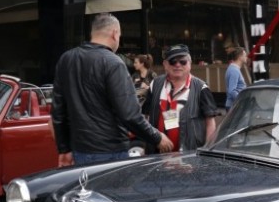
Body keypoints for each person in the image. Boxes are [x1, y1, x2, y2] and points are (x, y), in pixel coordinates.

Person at [51, 13, 173, 167]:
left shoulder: (66, 59)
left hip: (79, 150)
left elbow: (57, 112)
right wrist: (157, 137)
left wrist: (64, 149)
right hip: (110, 152)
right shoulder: (113, 63)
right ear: (115, 33)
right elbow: (129, 115)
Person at [144, 44, 218, 153]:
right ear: (165, 64)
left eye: (183, 61)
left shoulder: (201, 88)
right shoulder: (155, 84)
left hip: (189, 159)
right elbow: (146, 117)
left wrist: (206, 151)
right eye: (173, 61)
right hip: (157, 156)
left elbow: (210, 123)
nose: (178, 65)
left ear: (190, 64)